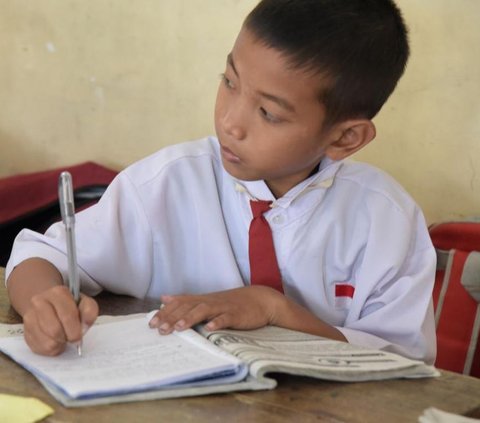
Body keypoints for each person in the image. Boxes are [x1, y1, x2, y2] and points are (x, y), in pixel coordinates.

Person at [5, 0, 437, 364]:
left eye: (268, 113)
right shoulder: (167, 184)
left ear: (345, 137)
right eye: (229, 82)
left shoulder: (386, 221)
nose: (230, 122)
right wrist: (42, 303)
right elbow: (41, 255)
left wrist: (272, 309)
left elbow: (403, 363)